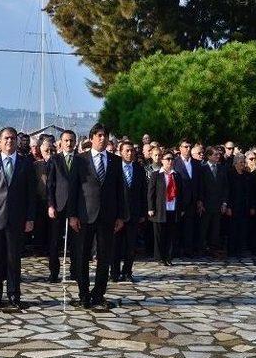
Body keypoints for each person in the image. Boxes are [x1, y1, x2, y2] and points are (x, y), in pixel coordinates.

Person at [0, 127, 36, 310]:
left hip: (17, 218)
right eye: (6, 138)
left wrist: (30, 218)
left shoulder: (26, 163)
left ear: (17, 141)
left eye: (12, 138)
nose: (9, 141)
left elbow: (31, 194)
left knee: (13, 259)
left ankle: (13, 294)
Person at [68, 123, 124, 309]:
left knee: (104, 257)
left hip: (108, 216)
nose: (102, 138)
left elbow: (119, 190)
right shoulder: (80, 160)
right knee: (82, 256)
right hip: (85, 216)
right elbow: (73, 189)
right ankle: (84, 294)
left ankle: (98, 293)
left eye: (105, 135)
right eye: (99, 135)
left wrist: (121, 216)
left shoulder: (115, 161)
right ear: (91, 138)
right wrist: (72, 215)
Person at [112, 141, 146, 283]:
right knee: (115, 246)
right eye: (127, 150)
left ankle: (127, 272)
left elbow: (143, 192)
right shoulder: (114, 168)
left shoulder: (139, 168)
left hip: (134, 214)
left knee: (131, 246)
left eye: (132, 150)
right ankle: (114, 273)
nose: (130, 153)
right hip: (117, 215)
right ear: (120, 152)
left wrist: (143, 213)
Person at [46, 130, 78, 283]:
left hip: (76, 206)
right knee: (54, 241)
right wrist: (51, 205)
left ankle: (75, 271)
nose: (69, 143)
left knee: (76, 241)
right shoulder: (55, 159)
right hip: (58, 205)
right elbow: (50, 184)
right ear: (61, 142)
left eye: (71, 140)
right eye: (66, 140)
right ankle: (54, 272)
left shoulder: (81, 160)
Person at [148, 151, 184, 265]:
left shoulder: (177, 175)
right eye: (167, 159)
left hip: (173, 208)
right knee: (159, 234)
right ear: (162, 160)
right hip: (159, 209)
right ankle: (160, 257)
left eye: (172, 159)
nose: (170, 161)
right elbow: (151, 193)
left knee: (171, 234)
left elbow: (181, 193)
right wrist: (151, 207)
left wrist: (181, 208)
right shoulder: (156, 174)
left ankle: (169, 257)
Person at [198, 146, 228, 255]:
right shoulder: (203, 169)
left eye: (219, 154)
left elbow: (225, 187)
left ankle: (213, 249)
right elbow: (200, 187)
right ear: (209, 156)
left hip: (218, 204)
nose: (218, 156)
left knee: (216, 229)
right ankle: (201, 249)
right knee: (204, 228)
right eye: (215, 154)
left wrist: (224, 202)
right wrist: (200, 202)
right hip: (206, 204)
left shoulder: (222, 168)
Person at [174, 138, 201, 257]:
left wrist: (199, 199)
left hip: (193, 200)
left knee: (190, 227)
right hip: (179, 200)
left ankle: (188, 250)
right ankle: (177, 250)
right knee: (177, 226)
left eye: (189, 147)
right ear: (180, 148)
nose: (188, 149)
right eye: (185, 146)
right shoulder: (175, 162)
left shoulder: (195, 163)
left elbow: (199, 183)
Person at [32, 139, 55, 258]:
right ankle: (38, 248)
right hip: (39, 200)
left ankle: (49, 248)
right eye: (47, 150)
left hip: (53, 201)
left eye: (51, 150)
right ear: (41, 151)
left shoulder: (57, 164)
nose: (49, 153)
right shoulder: (36, 165)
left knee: (51, 228)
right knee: (39, 226)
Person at [226, 154, 251, 256]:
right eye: (241, 162)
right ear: (235, 163)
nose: (243, 164)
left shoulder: (246, 175)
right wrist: (228, 206)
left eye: (243, 162)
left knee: (242, 228)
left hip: (244, 206)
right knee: (233, 229)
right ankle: (232, 250)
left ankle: (240, 250)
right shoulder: (230, 174)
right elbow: (228, 191)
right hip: (233, 206)